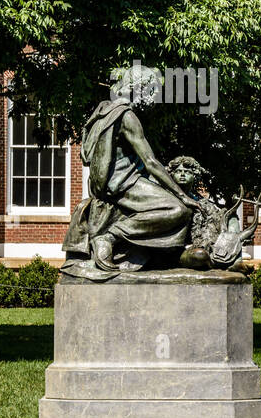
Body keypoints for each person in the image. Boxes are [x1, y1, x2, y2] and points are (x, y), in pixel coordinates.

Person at [61, 71, 199, 279]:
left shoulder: (102, 112)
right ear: (137, 89)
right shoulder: (127, 117)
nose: (153, 97)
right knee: (179, 210)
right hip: (123, 183)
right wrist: (182, 195)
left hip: (109, 182)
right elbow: (151, 162)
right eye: (150, 91)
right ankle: (109, 238)